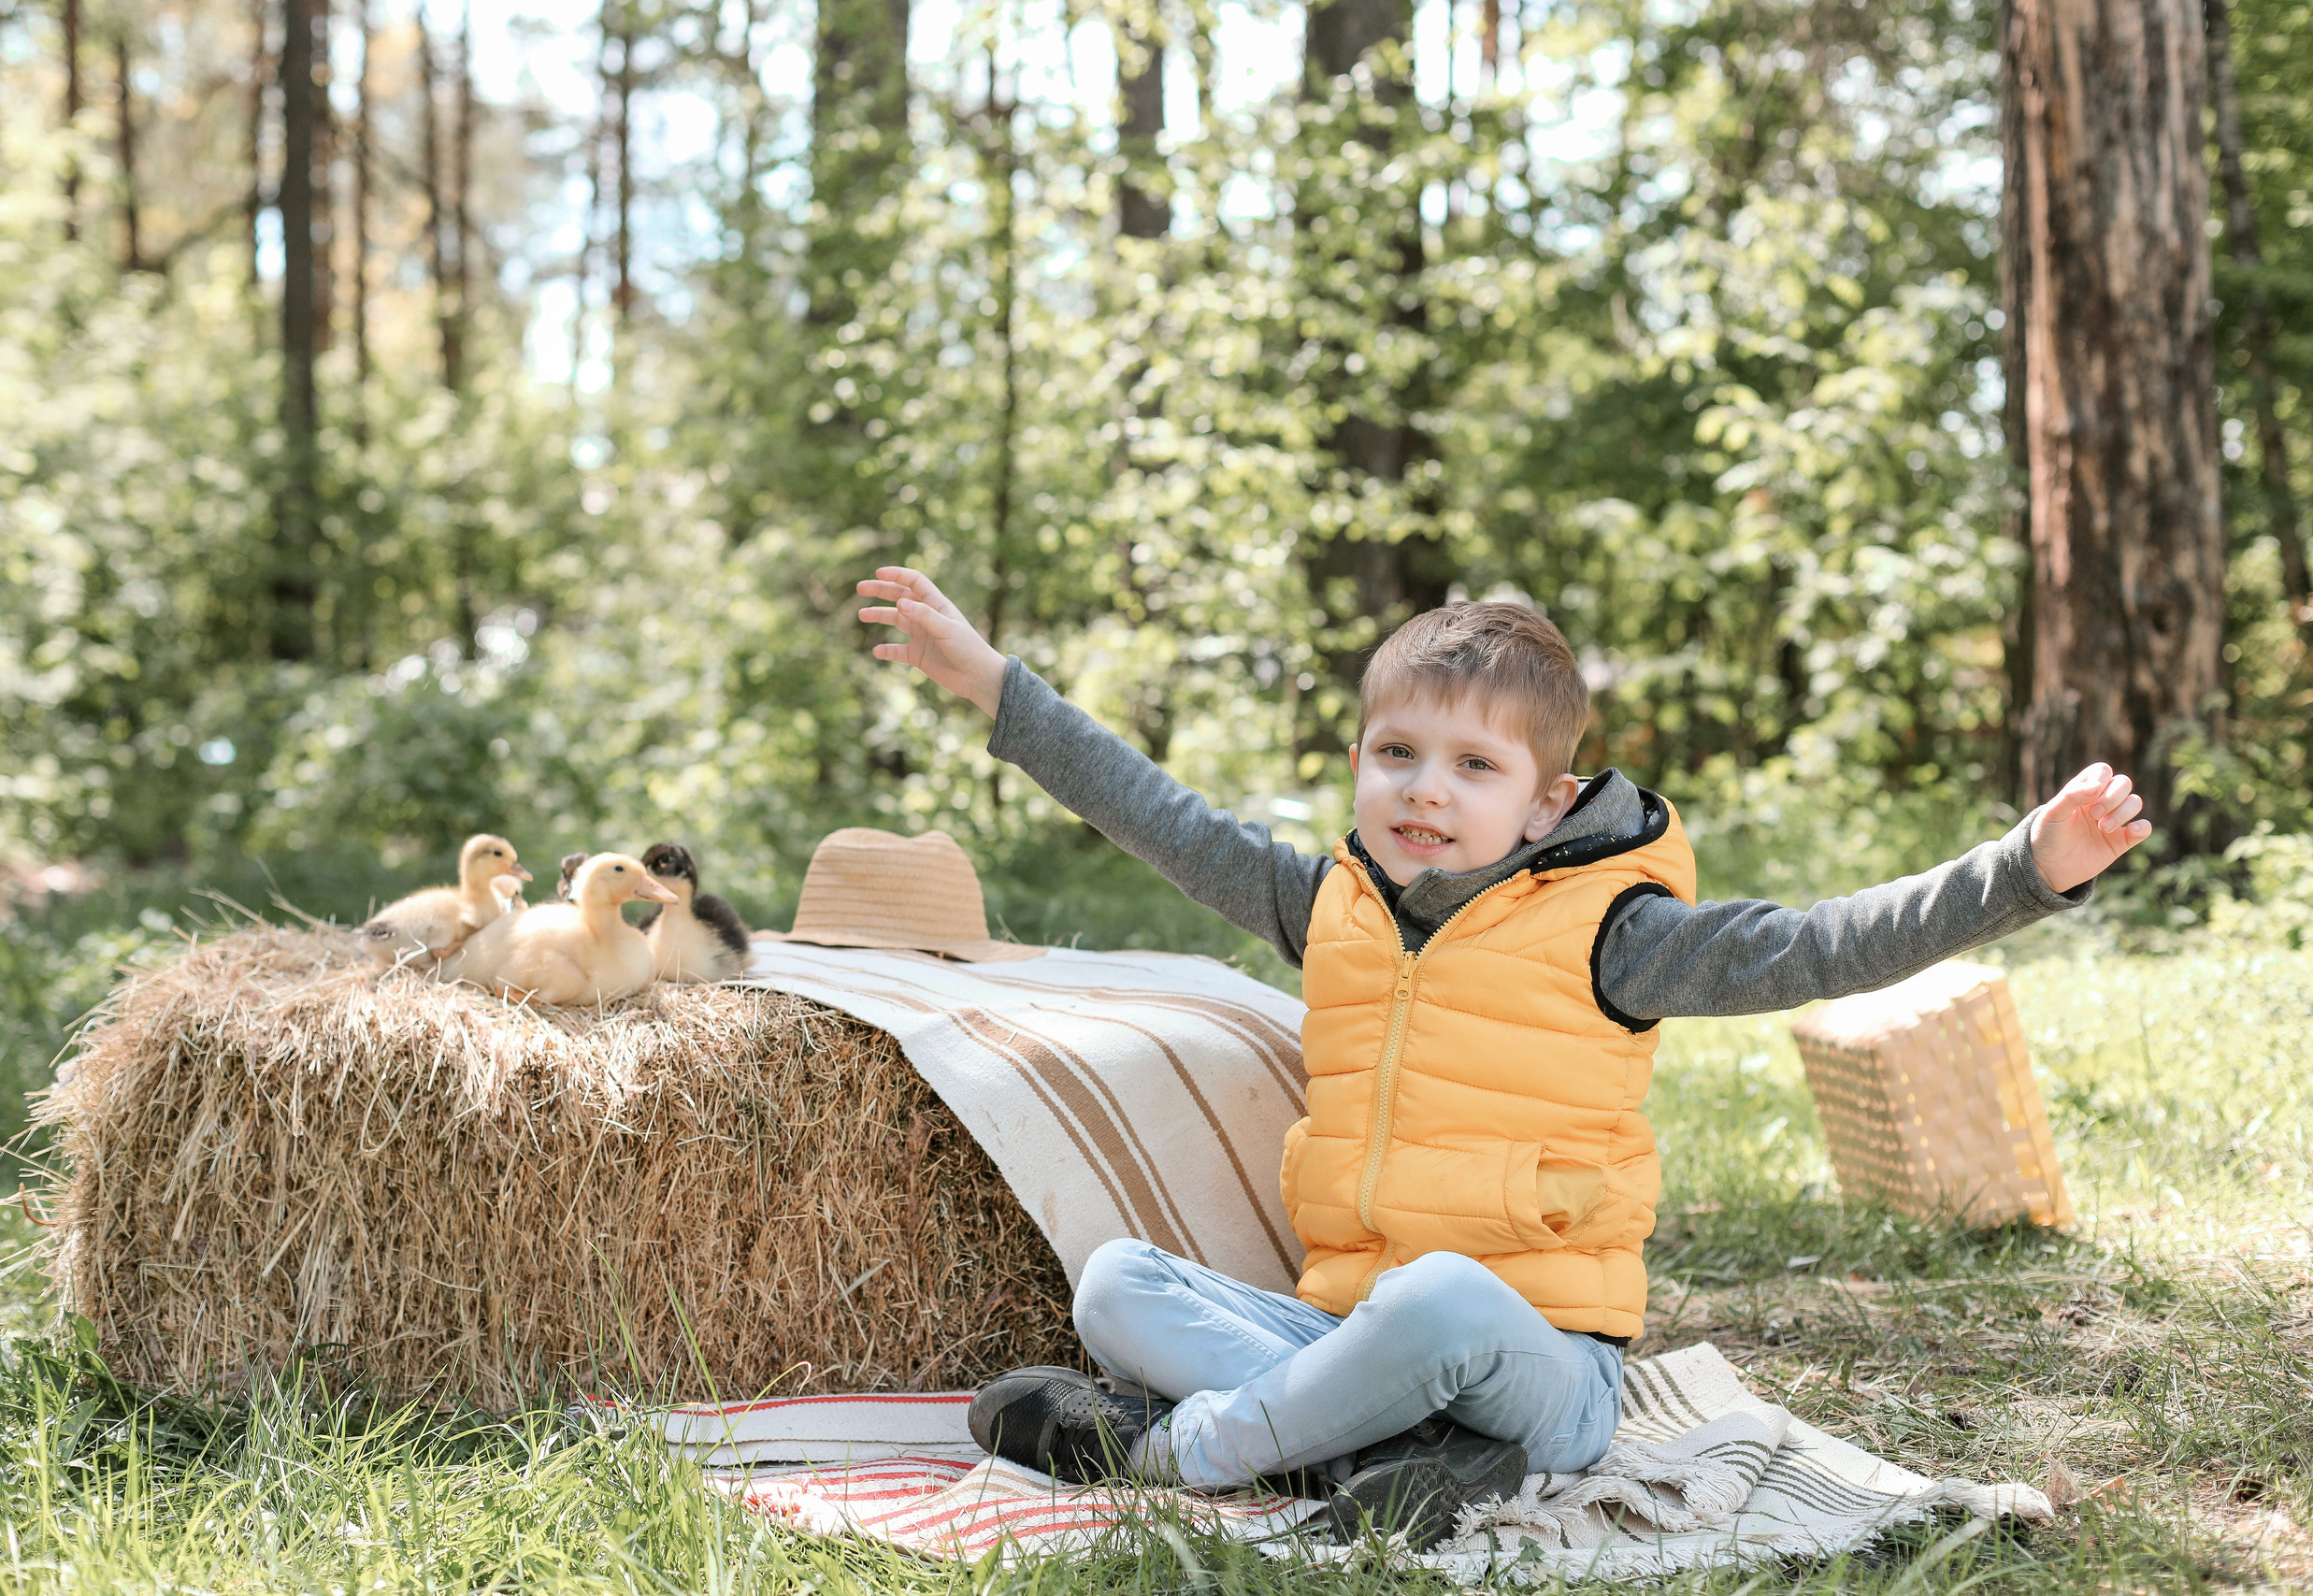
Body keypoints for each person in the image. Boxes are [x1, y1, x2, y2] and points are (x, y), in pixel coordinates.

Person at [855, 564, 2149, 1546]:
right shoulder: (1333, 904)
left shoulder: (1618, 933)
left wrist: (2025, 870)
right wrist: (988, 681)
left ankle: (1181, 1456)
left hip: (1544, 1363)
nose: (1425, 789)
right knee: (1119, 1285)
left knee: (1441, 1296)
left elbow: (1818, 946)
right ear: (1358, 762)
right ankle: (1386, 1455)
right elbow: (1158, 816)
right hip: (1342, 1329)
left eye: (1473, 765)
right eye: (1397, 754)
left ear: (1544, 803)